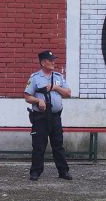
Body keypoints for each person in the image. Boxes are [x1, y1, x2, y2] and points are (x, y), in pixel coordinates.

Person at [23, 50, 73, 181]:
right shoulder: (35, 78)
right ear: (43, 62)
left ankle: (63, 172)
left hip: (55, 116)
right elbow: (27, 97)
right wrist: (38, 100)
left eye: (53, 60)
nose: (53, 62)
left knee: (58, 145)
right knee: (39, 146)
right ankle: (35, 172)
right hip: (41, 118)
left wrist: (55, 88)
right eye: (50, 60)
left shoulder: (58, 77)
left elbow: (68, 93)